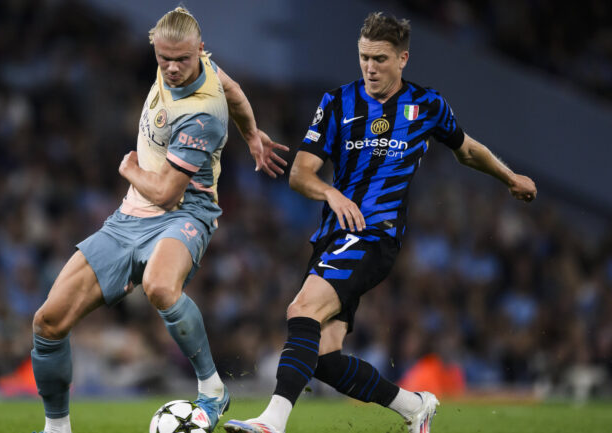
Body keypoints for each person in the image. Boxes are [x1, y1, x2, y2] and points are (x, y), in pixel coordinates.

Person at [224, 11, 536, 433]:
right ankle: (414, 407)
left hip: (376, 234)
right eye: (364, 57)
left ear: (403, 58)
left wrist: (510, 177)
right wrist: (331, 193)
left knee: (301, 309)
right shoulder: (337, 102)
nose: (370, 67)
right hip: (334, 235)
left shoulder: (427, 105)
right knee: (322, 358)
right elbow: (300, 172)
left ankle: (272, 423)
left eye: (381, 59)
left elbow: (467, 150)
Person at [29, 7, 288, 433]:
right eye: (163, 58)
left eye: (181, 59)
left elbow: (168, 193)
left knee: (160, 285)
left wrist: (129, 170)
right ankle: (57, 429)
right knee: (48, 321)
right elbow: (236, 89)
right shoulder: (194, 64)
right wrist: (253, 135)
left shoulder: (202, 114)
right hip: (130, 217)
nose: (171, 67)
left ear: (199, 50)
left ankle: (212, 389)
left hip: (184, 212)